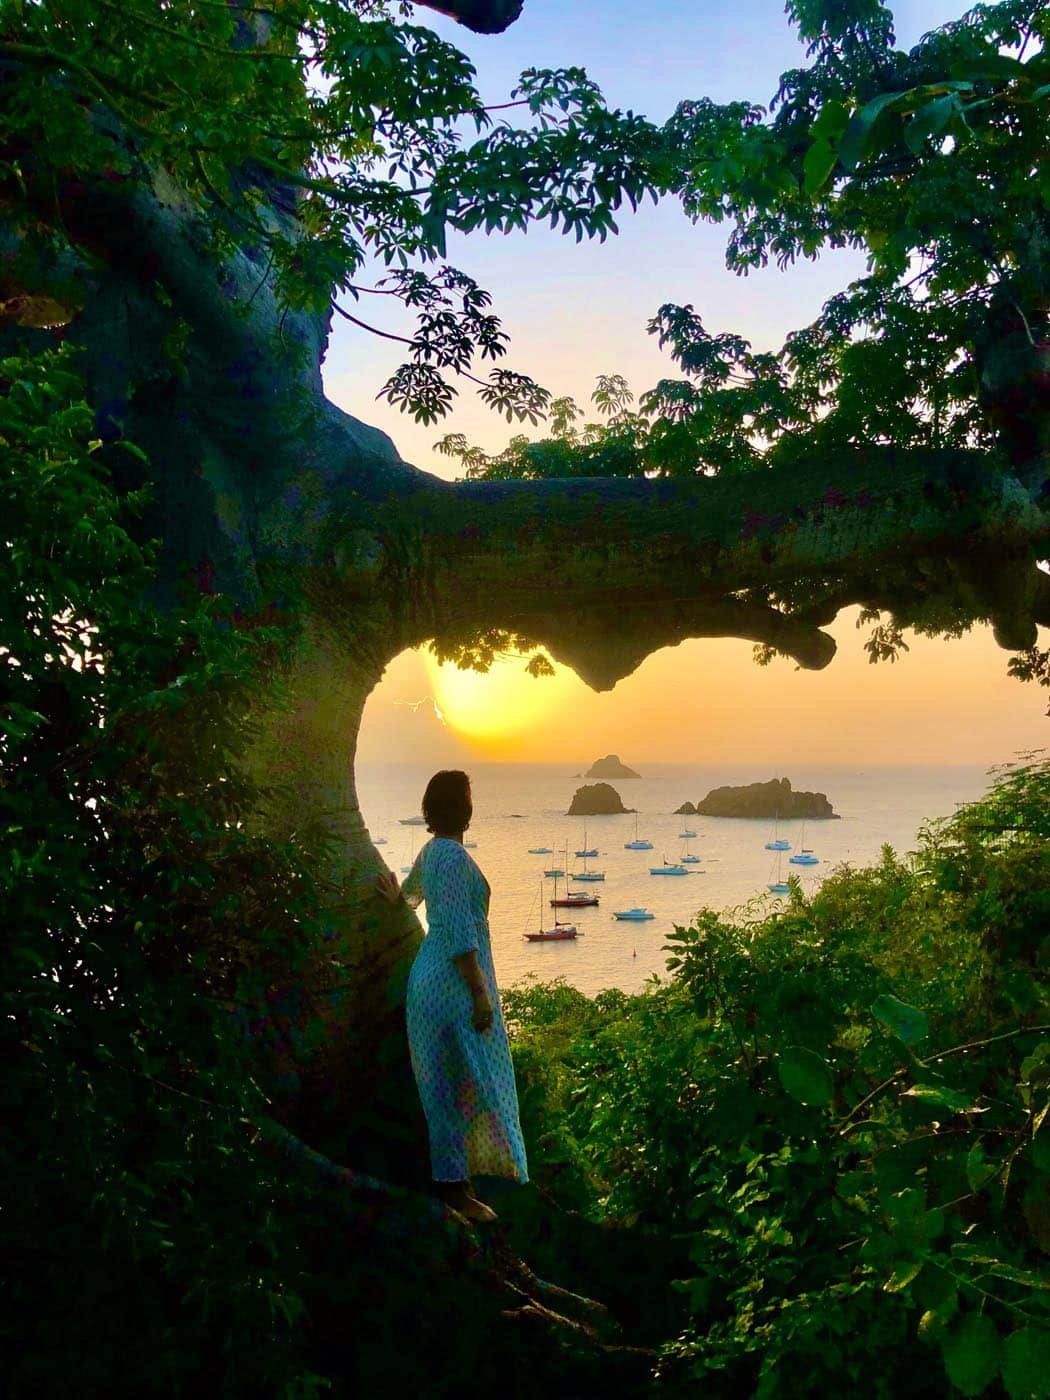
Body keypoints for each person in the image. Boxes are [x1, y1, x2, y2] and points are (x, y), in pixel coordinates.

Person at [375, 770, 528, 1223]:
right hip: (455, 985)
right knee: (469, 1085)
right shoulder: (455, 858)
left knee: (440, 1086)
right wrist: (481, 996)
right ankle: (455, 1192)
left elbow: (409, 898)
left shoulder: (430, 852)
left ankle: (455, 1184)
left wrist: (391, 896)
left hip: (427, 982)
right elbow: (461, 934)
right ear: (463, 809)